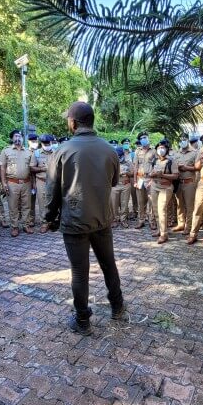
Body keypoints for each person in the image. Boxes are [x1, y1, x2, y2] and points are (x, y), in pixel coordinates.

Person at [44, 101, 125, 335]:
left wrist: (50, 218)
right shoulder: (109, 149)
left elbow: (52, 190)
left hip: (74, 221)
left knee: (80, 272)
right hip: (101, 218)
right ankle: (118, 307)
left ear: (73, 122)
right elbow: (113, 182)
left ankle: (82, 320)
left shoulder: (63, 150)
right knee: (109, 264)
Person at [0, 130, 34, 236]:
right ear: (12, 138)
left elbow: (32, 169)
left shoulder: (29, 152)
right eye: (15, 136)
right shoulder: (6, 151)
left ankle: (26, 225)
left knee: (26, 205)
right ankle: (14, 227)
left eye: (20, 136)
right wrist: (4, 183)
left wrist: (33, 183)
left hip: (26, 183)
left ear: (23, 138)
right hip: (12, 183)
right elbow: (2, 168)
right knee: (13, 206)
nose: (18, 138)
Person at [149, 141, 179, 243]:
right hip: (154, 186)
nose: (160, 150)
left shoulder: (171, 161)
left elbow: (175, 176)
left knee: (162, 209)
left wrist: (163, 175)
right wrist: (152, 175)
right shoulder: (155, 161)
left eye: (163, 148)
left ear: (166, 150)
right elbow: (151, 173)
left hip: (165, 188)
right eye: (159, 148)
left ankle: (164, 234)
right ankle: (159, 229)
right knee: (156, 209)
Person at [172, 133, 198, 235]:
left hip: (189, 183)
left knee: (189, 206)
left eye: (184, 139)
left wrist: (186, 168)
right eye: (181, 139)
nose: (182, 141)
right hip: (179, 182)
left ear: (188, 140)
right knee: (179, 205)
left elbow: (197, 167)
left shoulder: (194, 153)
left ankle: (189, 226)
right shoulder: (176, 153)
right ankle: (181, 223)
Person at [32, 134, 56, 232]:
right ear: (41, 143)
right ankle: (44, 223)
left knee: (54, 202)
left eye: (48, 143)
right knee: (42, 203)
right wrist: (43, 169)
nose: (47, 145)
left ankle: (53, 221)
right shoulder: (36, 153)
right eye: (45, 143)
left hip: (54, 182)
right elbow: (31, 168)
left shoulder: (56, 152)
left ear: (51, 143)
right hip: (41, 182)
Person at [132, 131, 157, 230]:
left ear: (148, 138)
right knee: (140, 201)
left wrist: (153, 179)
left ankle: (152, 221)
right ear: (140, 140)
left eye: (145, 137)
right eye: (142, 138)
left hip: (150, 178)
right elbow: (135, 167)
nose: (144, 139)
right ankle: (141, 220)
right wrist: (134, 181)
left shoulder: (154, 151)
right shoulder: (137, 151)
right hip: (140, 179)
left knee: (151, 201)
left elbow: (156, 166)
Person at [111, 146, 133, 227]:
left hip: (125, 185)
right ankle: (115, 219)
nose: (119, 158)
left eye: (120, 156)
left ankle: (123, 220)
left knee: (124, 204)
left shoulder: (128, 162)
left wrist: (127, 173)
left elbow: (132, 173)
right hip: (115, 186)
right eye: (117, 156)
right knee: (114, 204)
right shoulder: (112, 162)